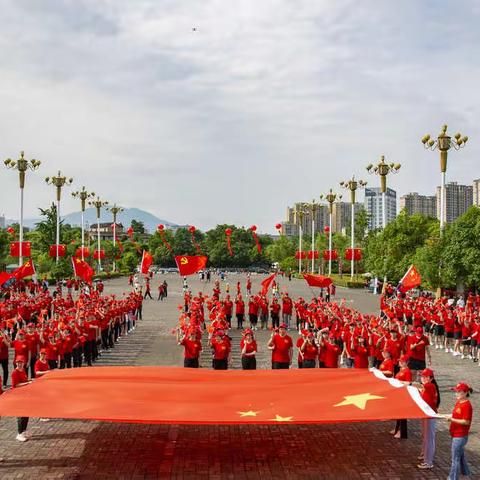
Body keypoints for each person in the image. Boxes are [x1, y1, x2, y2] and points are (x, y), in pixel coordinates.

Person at [441, 382, 473, 480]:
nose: (456, 394)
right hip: (455, 434)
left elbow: (466, 422)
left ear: (465, 393)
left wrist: (452, 420)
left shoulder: (467, 406)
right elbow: (455, 414)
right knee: (461, 455)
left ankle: (453, 477)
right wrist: (446, 415)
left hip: (460, 436)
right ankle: (466, 474)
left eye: (459, 392)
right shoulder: (459, 402)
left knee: (455, 459)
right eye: (456, 391)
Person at [416, 368, 440, 470]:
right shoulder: (427, 387)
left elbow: (418, 385)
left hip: (430, 415)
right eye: (422, 376)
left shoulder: (430, 386)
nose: (423, 378)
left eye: (426, 377)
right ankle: (424, 454)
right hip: (426, 414)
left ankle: (428, 461)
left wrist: (405, 383)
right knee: (426, 437)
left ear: (431, 378)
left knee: (429, 438)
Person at [391, 354, 412, 439]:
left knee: (402, 414)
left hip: (403, 394)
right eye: (400, 361)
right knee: (398, 413)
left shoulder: (407, 371)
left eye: (402, 361)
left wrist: (399, 382)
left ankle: (401, 431)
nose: (400, 362)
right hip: (399, 393)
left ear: (406, 362)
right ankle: (397, 428)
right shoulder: (401, 370)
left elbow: (408, 383)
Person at [11, 356, 32, 442]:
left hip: (25, 395)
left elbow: (25, 381)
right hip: (18, 396)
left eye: (21, 362)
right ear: (16, 363)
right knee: (21, 415)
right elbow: (15, 385)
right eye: (18, 363)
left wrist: (30, 381)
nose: (20, 364)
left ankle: (23, 431)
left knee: (26, 414)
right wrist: (27, 383)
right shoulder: (14, 373)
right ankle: (19, 433)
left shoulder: (23, 370)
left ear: (24, 363)